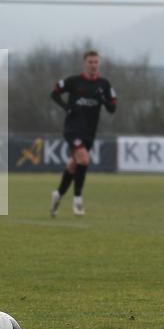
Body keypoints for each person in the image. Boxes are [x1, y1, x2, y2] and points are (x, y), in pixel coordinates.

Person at [49, 50, 116, 217]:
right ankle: (78, 198)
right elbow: (54, 93)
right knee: (84, 159)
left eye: (96, 62)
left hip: (89, 132)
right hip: (72, 128)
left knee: (74, 164)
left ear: (99, 64)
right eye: (90, 62)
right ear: (84, 63)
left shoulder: (104, 84)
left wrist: (103, 99)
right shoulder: (74, 81)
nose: (93, 65)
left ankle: (57, 195)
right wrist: (66, 107)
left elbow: (112, 108)